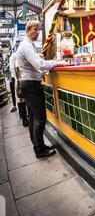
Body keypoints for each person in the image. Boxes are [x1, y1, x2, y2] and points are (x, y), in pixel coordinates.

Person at [16, 20, 68, 159]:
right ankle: (39, 150)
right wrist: (57, 62)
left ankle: (39, 146)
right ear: (28, 30)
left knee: (33, 117)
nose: (38, 32)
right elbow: (39, 64)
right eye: (35, 29)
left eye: (39, 29)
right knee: (40, 117)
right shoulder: (26, 46)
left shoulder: (28, 45)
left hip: (29, 84)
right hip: (31, 85)